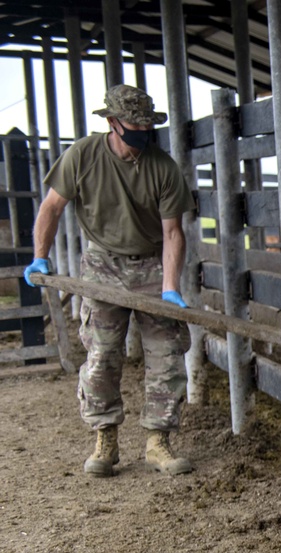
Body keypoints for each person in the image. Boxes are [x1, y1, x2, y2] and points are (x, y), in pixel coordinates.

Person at [23, 84, 195, 478]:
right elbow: (51, 207)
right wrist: (40, 257)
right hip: (102, 264)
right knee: (101, 354)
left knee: (167, 353)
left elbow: (173, 233)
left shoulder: (162, 167)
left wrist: (170, 286)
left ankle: (158, 441)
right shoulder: (82, 155)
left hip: (152, 262)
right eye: (134, 125)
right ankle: (105, 437)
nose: (142, 133)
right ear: (112, 123)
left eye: (147, 126)